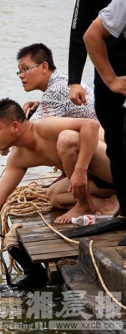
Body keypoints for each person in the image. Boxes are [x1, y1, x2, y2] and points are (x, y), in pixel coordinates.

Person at [0, 98, 114, 286]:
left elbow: (90, 126)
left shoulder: (45, 127)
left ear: (15, 126)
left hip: (115, 167)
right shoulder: (19, 157)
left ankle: (90, 202)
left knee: (67, 138)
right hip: (96, 179)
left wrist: (80, 170)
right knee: (54, 195)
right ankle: (116, 199)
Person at [12, 43, 116, 214]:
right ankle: (105, 199)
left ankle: (117, 193)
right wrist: (39, 106)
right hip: (100, 152)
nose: (21, 76)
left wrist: (8, 142)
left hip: (107, 156)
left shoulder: (57, 90)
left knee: (63, 139)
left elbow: (25, 132)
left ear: (44, 66)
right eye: (19, 71)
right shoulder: (64, 82)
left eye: (25, 69)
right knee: (54, 195)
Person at [68, 0, 126, 248]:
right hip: (106, 72)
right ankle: (124, 211)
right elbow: (80, 32)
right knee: (114, 144)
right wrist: (74, 80)